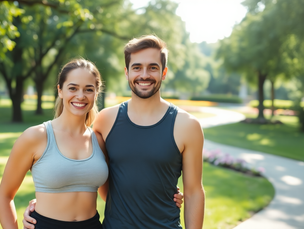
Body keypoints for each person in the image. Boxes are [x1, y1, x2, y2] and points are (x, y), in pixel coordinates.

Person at [24, 35, 196, 229]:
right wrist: (46, 207)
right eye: (137, 67)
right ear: (127, 72)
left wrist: (161, 197)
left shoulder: (187, 125)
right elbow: (91, 177)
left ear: (163, 73)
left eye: (153, 67)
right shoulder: (106, 121)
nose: (144, 75)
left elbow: (194, 192)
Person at [0, 58, 109, 229]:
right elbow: (5, 196)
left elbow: (109, 195)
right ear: (60, 90)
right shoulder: (35, 137)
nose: (81, 96)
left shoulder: (99, 140)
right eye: (73, 88)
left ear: (96, 93)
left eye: (88, 89)